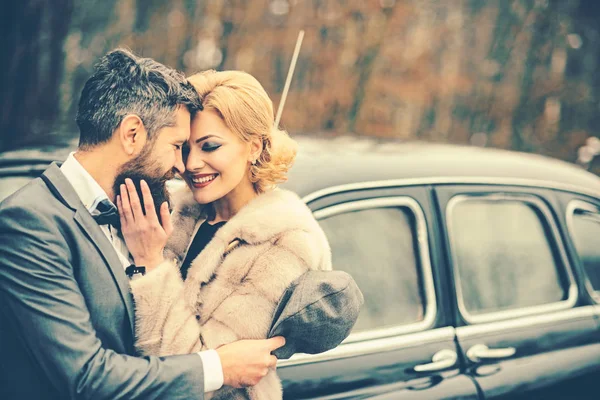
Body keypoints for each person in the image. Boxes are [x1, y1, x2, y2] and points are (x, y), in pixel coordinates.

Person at [0, 49, 287, 400]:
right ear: (133, 134)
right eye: (178, 146)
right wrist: (218, 367)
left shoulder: (143, 212)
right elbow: (86, 377)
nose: (183, 166)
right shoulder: (30, 222)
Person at [119, 70, 358, 400]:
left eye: (210, 146)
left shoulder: (286, 242)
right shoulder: (177, 211)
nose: (191, 164)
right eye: (185, 148)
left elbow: (201, 377)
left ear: (254, 146)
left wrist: (150, 263)